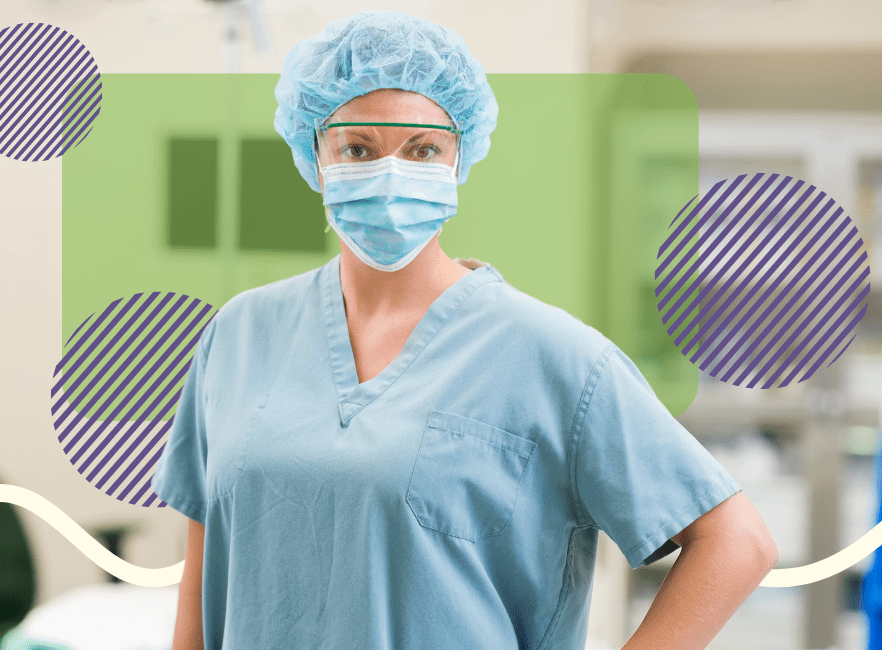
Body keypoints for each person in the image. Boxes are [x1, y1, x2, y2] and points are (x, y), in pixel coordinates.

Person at [151, 10, 777, 650]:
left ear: (458, 157)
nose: (389, 173)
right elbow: (202, 575)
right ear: (315, 152)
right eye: (358, 149)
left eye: (422, 149)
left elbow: (735, 541)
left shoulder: (551, 357)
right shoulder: (238, 334)